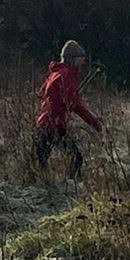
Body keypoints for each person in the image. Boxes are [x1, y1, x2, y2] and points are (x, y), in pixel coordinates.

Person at [35, 40, 104, 176]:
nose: (82, 62)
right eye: (80, 59)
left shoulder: (56, 73)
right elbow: (75, 105)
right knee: (76, 159)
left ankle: (43, 185)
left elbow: (41, 93)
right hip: (54, 125)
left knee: (41, 161)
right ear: (73, 59)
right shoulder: (65, 76)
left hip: (45, 123)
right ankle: (70, 186)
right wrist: (93, 121)